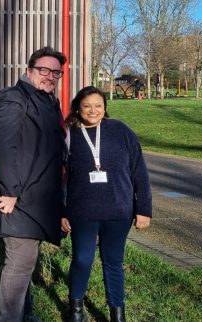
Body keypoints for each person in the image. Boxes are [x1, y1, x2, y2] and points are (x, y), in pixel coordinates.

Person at [0, 46, 67, 322]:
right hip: (19, 198)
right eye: (44, 70)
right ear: (30, 70)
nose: (50, 76)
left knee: (26, 263)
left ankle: (26, 316)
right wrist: (10, 192)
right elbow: (2, 145)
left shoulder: (47, 101)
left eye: (56, 72)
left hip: (37, 198)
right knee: (19, 264)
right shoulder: (14, 98)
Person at [61, 86, 152, 322]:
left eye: (98, 106)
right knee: (82, 258)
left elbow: (139, 171)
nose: (93, 110)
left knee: (113, 262)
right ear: (77, 108)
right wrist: (61, 211)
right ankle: (76, 310)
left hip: (118, 210)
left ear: (105, 108)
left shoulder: (120, 130)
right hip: (82, 211)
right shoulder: (69, 134)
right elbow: (59, 177)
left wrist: (143, 208)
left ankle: (117, 313)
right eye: (87, 105)